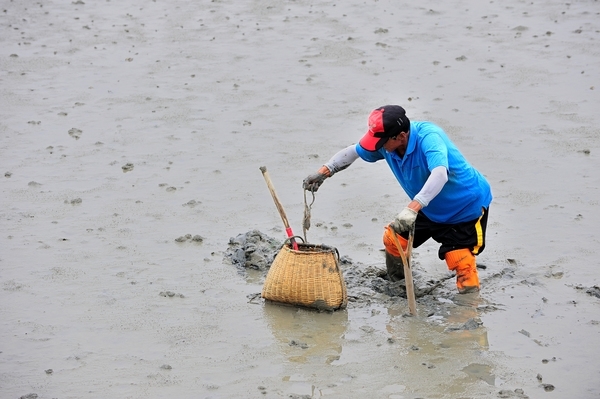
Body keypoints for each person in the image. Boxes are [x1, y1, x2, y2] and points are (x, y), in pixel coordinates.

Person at [303, 105, 492, 294]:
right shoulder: (387, 146)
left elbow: (440, 174)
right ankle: (398, 285)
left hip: (465, 206)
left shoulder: (429, 137)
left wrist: (413, 208)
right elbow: (354, 151)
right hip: (428, 205)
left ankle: (469, 310)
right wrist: (325, 172)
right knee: (394, 239)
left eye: (382, 142)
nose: (378, 147)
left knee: (459, 259)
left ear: (401, 136)